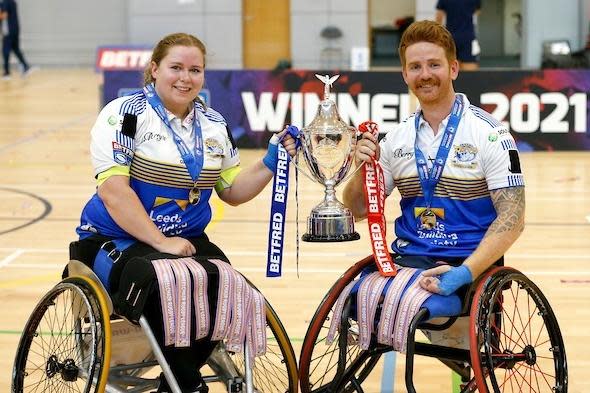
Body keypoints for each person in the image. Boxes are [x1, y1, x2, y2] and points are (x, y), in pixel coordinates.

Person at [72, 32, 297, 392]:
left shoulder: (214, 124)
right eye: (176, 67)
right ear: (154, 69)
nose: (185, 78)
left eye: (195, 70)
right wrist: (161, 241)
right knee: (165, 283)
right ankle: (188, 384)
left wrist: (271, 160)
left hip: (187, 240)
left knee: (229, 287)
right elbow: (114, 193)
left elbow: (233, 192)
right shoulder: (124, 115)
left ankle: (175, 382)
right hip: (114, 239)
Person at [343, 20, 525, 299]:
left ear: (453, 68)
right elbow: (357, 210)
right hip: (410, 261)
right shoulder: (395, 140)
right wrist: (361, 169)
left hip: (469, 263)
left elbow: (513, 219)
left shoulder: (490, 134)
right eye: (415, 67)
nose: (425, 74)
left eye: (434, 65)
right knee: (355, 299)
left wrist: (465, 272)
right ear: (405, 74)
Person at [435, 0, 481, 70]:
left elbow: (439, 17)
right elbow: (477, 12)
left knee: (450, 68)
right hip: (468, 37)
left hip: (450, 37)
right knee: (471, 68)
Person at [0, 0, 32, 79]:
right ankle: (25, 66)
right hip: (15, 30)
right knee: (15, 49)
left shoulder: (5, 2)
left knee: (5, 51)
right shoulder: (13, 2)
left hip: (8, 31)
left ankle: (7, 73)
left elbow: (4, 15)